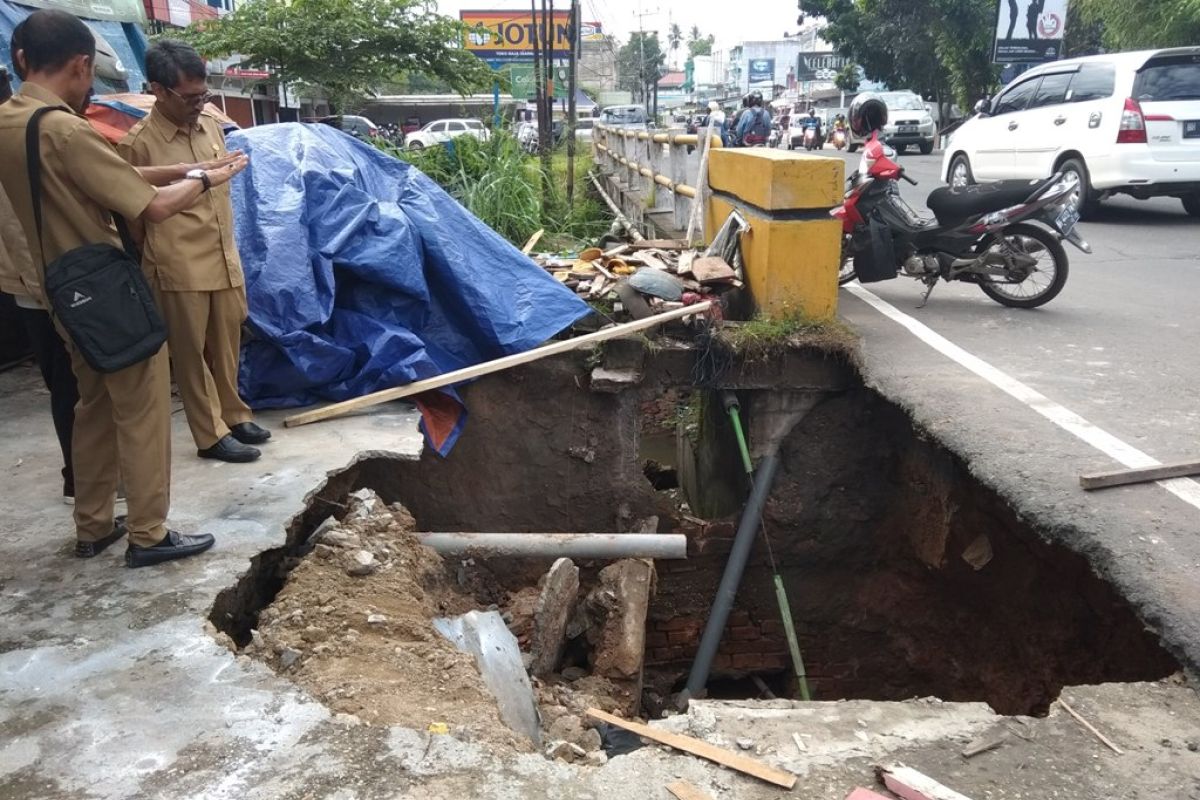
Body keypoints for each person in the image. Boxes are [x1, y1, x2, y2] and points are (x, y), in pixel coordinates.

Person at [0, 9, 248, 566]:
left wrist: (191, 167)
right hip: (104, 288)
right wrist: (210, 178)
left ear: (20, 60)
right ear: (83, 64)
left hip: (59, 292)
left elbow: (118, 177)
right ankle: (149, 532)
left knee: (93, 407)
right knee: (143, 407)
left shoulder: (11, 122)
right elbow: (153, 208)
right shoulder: (65, 128)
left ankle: (92, 524)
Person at [119, 40, 270, 464]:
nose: (198, 103)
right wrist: (153, 256)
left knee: (227, 344)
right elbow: (133, 214)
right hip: (176, 263)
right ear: (159, 90)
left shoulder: (209, 127)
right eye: (189, 97)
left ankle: (235, 416)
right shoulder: (139, 144)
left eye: (203, 94)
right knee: (190, 356)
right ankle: (210, 434)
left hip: (222, 253)